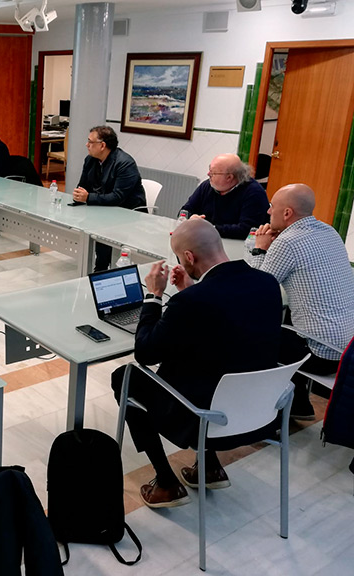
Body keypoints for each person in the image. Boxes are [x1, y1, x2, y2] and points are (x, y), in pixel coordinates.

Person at [111, 219, 282, 508]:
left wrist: (153, 297)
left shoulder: (193, 302)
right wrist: (189, 290)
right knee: (215, 364)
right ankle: (209, 466)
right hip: (259, 412)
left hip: (202, 418)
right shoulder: (266, 283)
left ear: (189, 257)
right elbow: (228, 327)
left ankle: (165, 482)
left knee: (124, 377)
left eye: (180, 257)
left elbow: (146, 353)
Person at [251, 183, 354, 420]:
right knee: (289, 322)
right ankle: (299, 405)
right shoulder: (329, 231)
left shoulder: (288, 242)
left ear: (287, 213)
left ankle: (267, 416)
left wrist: (260, 249)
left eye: (272, 207)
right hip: (348, 349)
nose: (268, 212)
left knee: (255, 334)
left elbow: (259, 287)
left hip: (321, 355)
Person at [72, 126, 147, 271]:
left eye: (90, 142)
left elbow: (117, 197)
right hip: (103, 209)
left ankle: (100, 269)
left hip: (129, 213)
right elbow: (83, 186)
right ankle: (98, 266)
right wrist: (79, 195)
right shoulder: (90, 160)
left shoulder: (125, 163)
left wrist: (88, 198)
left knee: (103, 229)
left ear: (102, 145)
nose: (87, 145)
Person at [180, 153, 270, 239]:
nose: (208, 174)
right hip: (206, 240)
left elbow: (246, 229)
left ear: (229, 177)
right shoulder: (207, 185)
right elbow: (184, 211)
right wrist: (191, 219)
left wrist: (209, 228)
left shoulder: (254, 192)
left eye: (213, 173)